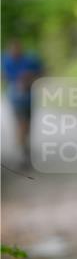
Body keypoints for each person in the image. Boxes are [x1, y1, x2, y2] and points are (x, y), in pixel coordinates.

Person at [1, 38, 44, 168]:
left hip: (28, 97)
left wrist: (30, 77)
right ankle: (23, 153)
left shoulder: (30, 60)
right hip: (14, 97)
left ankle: (25, 150)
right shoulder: (5, 60)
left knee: (27, 125)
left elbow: (41, 72)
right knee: (20, 124)